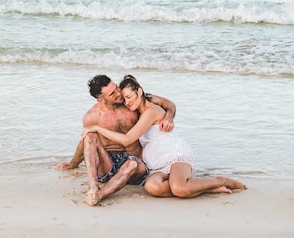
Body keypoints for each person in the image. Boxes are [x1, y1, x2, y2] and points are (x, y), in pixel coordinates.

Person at [82, 74, 246, 198]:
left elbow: (169, 105)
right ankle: (205, 187)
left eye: (129, 97)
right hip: (155, 162)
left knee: (179, 189)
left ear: (139, 91)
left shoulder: (150, 108)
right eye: (123, 98)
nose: (126, 101)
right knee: (152, 188)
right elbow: (170, 105)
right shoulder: (133, 108)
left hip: (173, 154)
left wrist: (168, 117)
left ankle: (221, 181)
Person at [55, 74, 177, 206]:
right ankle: (94, 186)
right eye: (112, 94)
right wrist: (72, 164)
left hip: (136, 165)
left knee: (131, 164)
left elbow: (168, 104)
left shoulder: (131, 102)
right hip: (108, 164)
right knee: (90, 135)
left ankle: (100, 195)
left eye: (117, 88)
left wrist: (169, 117)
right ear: (101, 100)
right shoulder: (92, 117)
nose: (119, 94)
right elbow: (85, 143)